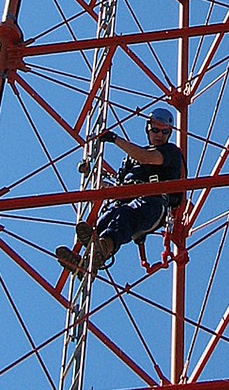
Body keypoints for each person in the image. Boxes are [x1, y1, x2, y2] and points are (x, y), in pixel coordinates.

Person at [55, 107, 184, 276]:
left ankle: (104, 248)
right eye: (155, 130)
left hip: (152, 202)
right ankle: (86, 261)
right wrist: (99, 183)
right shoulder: (131, 160)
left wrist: (114, 139)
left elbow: (146, 157)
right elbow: (118, 186)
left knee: (125, 215)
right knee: (104, 219)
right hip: (126, 199)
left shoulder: (170, 152)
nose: (159, 135)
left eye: (164, 132)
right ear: (148, 128)